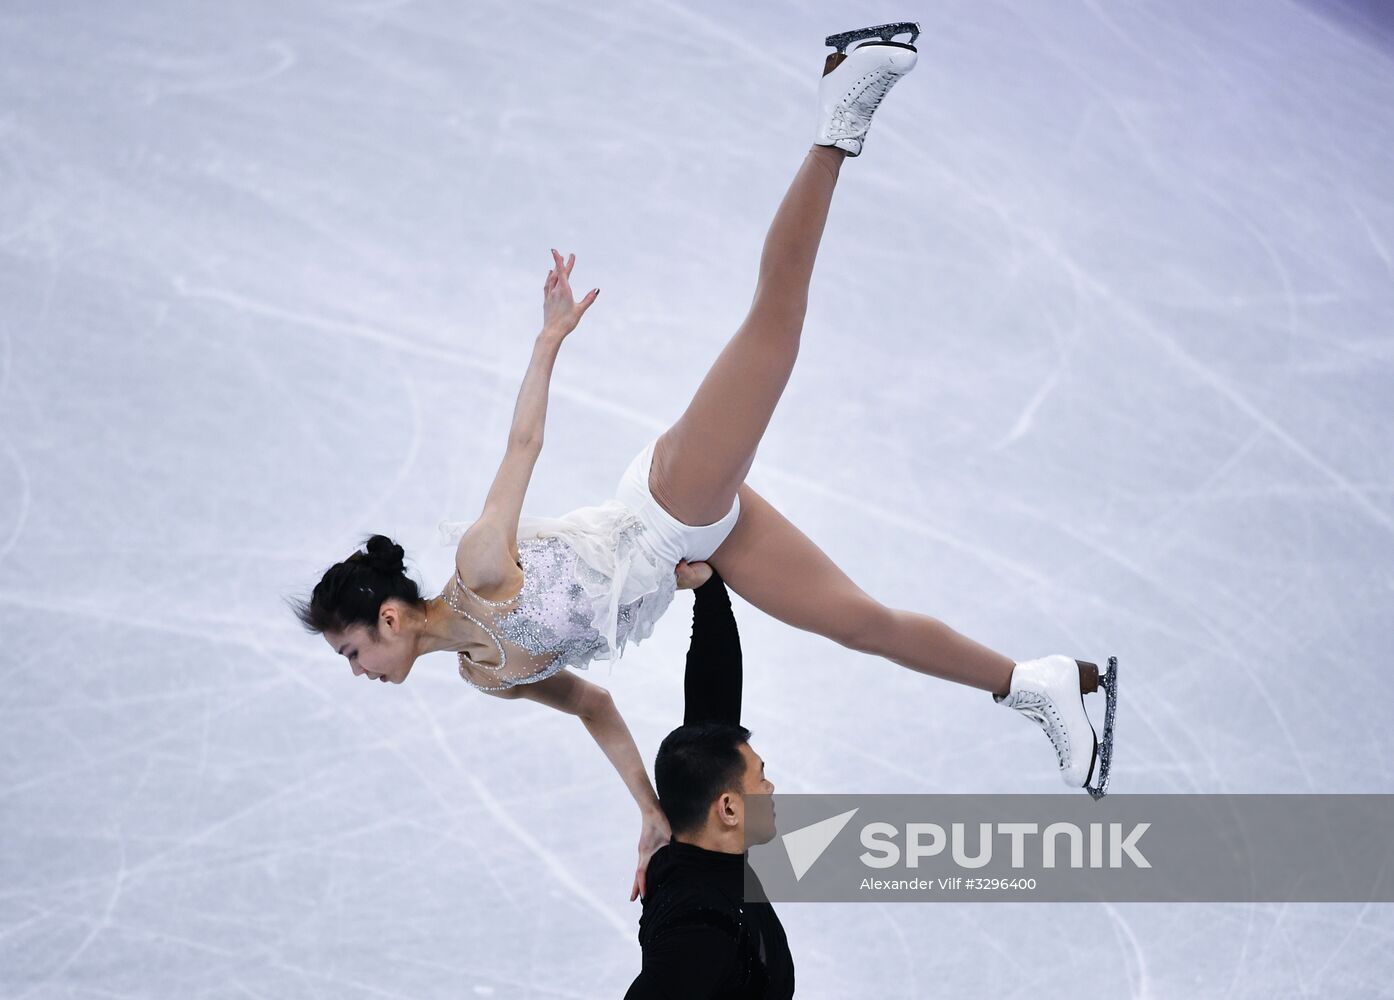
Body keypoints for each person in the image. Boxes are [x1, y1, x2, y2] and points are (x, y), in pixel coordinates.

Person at [291, 22, 1117, 898]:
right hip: (696, 546)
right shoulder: (482, 673)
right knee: (862, 623)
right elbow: (593, 707)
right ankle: (1034, 684)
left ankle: (839, 112)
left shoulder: (478, 567)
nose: (357, 673)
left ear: (386, 618)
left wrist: (547, 343)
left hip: (665, 506)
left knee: (776, 325)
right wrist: (651, 815)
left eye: (349, 651)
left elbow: (523, 444)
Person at [627, 565, 793, 999]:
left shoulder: (701, 842)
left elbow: (712, 704)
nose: (771, 788)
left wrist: (709, 593)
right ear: (728, 808)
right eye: (761, 778)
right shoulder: (702, 927)